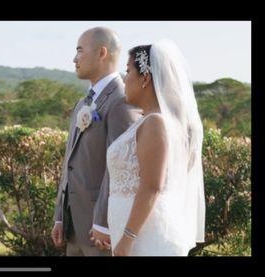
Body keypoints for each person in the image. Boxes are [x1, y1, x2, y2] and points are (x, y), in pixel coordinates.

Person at [108, 39, 205, 256]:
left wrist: (127, 239)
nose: (124, 79)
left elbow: (152, 186)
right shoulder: (150, 121)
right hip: (135, 232)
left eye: (128, 71)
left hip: (146, 238)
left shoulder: (155, 123)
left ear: (145, 79)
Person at [52, 27, 142, 256]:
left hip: (101, 232)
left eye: (80, 51)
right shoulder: (82, 103)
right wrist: (60, 216)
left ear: (102, 53)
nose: (74, 58)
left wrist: (103, 223)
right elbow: (69, 163)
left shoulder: (122, 101)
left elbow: (121, 170)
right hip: (73, 227)